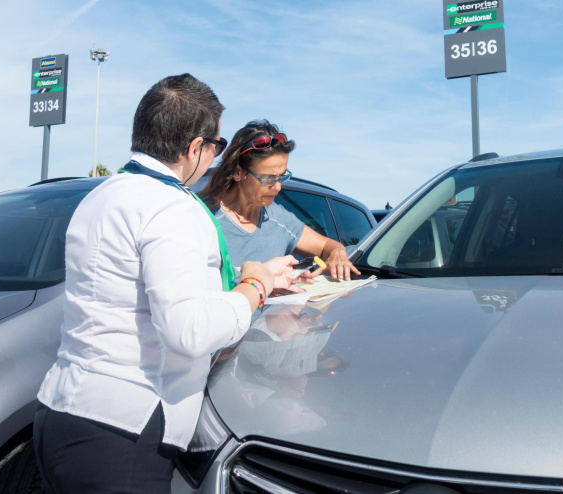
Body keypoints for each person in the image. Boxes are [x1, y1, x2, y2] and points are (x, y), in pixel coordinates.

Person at [32, 74, 304, 493]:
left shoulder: (101, 195)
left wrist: (254, 282)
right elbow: (189, 331)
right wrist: (256, 286)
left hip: (60, 412)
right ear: (195, 148)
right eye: (216, 145)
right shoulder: (172, 207)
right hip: (124, 430)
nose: (214, 156)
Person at [201, 120, 361, 281]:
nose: (278, 187)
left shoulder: (278, 218)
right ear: (238, 172)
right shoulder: (203, 217)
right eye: (268, 179)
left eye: (282, 176)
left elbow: (327, 245)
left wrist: (338, 254)